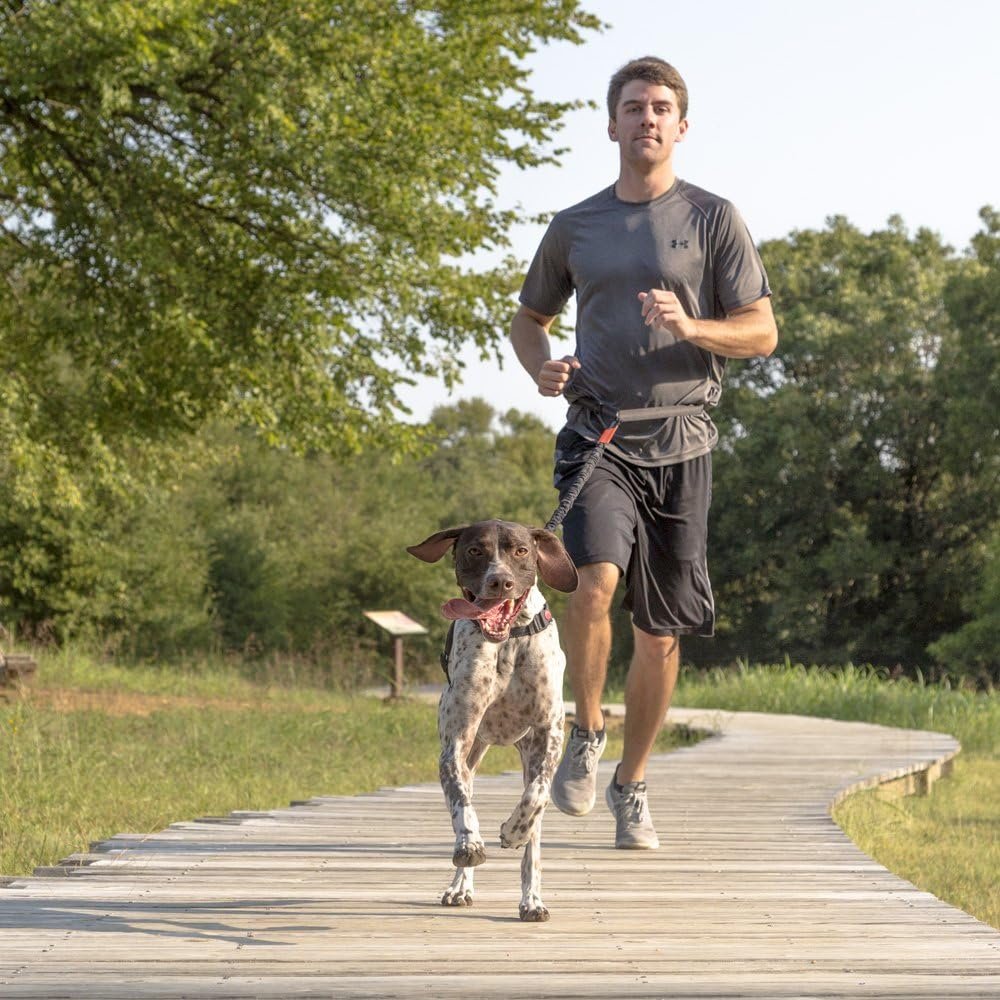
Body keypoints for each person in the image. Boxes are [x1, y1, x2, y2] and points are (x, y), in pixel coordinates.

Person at [510, 56, 777, 849]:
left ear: (681, 126)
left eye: (661, 107)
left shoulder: (714, 218)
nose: (647, 118)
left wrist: (693, 326)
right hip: (598, 435)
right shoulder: (576, 226)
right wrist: (541, 367)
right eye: (634, 107)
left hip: (683, 440)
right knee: (593, 583)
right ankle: (587, 729)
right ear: (612, 124)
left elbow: (762, 332)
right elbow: (528, 321)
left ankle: (632, 782)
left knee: (661, 633)